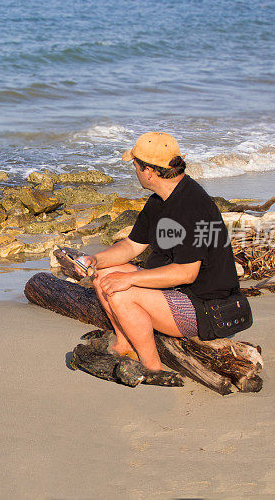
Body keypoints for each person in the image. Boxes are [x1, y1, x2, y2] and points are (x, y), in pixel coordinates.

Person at [75, 132, 244, 373]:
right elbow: (132, 246)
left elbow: (186, 273)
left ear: (149, 171)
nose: (134, 170)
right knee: (102, 275)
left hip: (206, 307)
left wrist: (130, 279)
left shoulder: (193, 206)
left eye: (135, 165)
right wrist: (95, 259)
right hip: (178, 292)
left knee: (121, 293)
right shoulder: (160, 200)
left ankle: (153, 368)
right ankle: (125, 344)